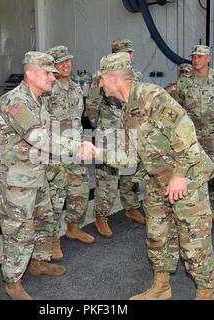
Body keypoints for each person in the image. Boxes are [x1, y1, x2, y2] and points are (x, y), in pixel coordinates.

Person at [98, 52, 214, 300]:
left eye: (101, 78)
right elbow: (129, 158)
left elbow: (186, 131)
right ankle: (161, 288)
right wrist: (95, 152)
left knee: (194, 241)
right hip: (158, 181)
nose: (99, 84)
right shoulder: (127, 109)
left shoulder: (150, 96)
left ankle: (206, 294)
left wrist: (179, 174)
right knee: (157, 236)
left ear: (113, 77)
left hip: (186, 178)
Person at [0, 51, 97, 300]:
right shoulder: (14, 101)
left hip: (39, 174)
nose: (53, 76)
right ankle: (13, 280)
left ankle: (38, 262)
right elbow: (38, 137)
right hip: (18, 180)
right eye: (48, 72)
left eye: (54, 72)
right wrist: (76, 147)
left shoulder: (39, 100)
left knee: (46, 220)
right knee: (19, 230)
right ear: (30, 73)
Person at [85, 39, 145, 238]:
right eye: (123, 53)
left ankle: (131, 207)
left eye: (129, 52)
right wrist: (100, 126)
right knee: (108, 177)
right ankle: (101, 216)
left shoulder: (136, 75)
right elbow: (92, 105)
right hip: (109, 132)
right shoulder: (100, 77)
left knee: (130, 171)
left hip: (129, 131)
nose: (128, 56)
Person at [44, 45, 95, 262]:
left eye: (68, 61)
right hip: (55, 152)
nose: (66, 65)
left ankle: (73, 228)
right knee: (55, 197)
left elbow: (78, 119)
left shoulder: (75, 88)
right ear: (52, 65)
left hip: (75, 149)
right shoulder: (46, 89)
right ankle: (53, 239)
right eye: (61, 61)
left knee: (80, 191)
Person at [170, 45, 214, 223]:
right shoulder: (184, 80)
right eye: (194, 57)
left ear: (208, 59)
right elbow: (177, 105)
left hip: (210, 134)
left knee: (211, 171)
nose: (196, 60)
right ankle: (188, 205)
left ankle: (209, 207)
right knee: (187, 169)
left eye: (200, 56)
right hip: (189, 135)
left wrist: (213, 119)